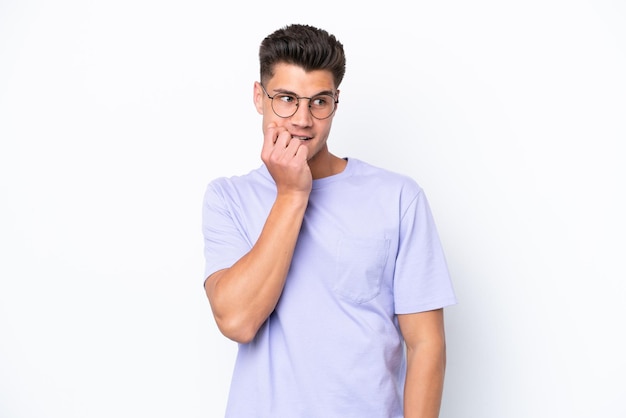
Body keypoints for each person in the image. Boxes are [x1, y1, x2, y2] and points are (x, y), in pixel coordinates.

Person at [202, 23, 457, 418]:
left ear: (336, 101)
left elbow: (426, 344)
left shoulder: (397, 198)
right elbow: (237, 320)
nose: (303, 119)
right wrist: (291, 193)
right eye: (286, 98)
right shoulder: (228, 198)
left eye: (319, 102)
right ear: (259, 97)